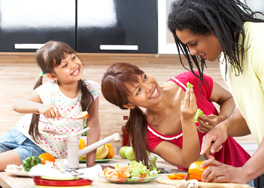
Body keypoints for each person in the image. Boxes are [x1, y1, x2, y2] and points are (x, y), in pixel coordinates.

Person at [168, 0, 264, 185]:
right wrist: (224, 128)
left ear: (216, 26)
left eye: (194, 43)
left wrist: (243, 172)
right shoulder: (227, 60)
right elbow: (251, 113)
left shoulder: (260, 43)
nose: (193, 52)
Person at [101, 62, 250, 170]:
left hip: (241, 169)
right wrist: (187, 121)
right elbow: (188, 161)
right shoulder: (148, 134)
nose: (149, 87)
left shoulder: (190, 81)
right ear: (129, 105)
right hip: (198, 183)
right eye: (138, 91)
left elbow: (228, 99)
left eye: (144, 77)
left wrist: (221, 119)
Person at [0, 41, 100, 171]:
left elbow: (93, 126)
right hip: (18, 134)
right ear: (52, 75)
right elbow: (17, 105)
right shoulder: (48, 89)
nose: (74, 65)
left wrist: (90, 164)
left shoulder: (91, 89)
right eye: (65, 65)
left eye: (73, 57)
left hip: (40, 149)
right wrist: (40, 107)